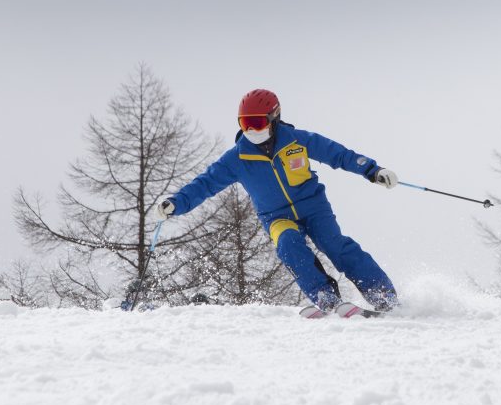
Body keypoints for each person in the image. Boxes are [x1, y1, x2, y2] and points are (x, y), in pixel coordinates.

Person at [155, 89, 399, 318]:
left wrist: (372, 170)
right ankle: (326, 297)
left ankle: (383, 296)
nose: (251, 129)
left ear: (274, 118)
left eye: (257, 123)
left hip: (314, 208)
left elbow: (338, 154)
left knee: (335, 245)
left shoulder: (297, 140)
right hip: (276, 217)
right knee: (288, 245)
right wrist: (176, 203)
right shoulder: (236, 158)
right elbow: (205, 183)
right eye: (244, 124)